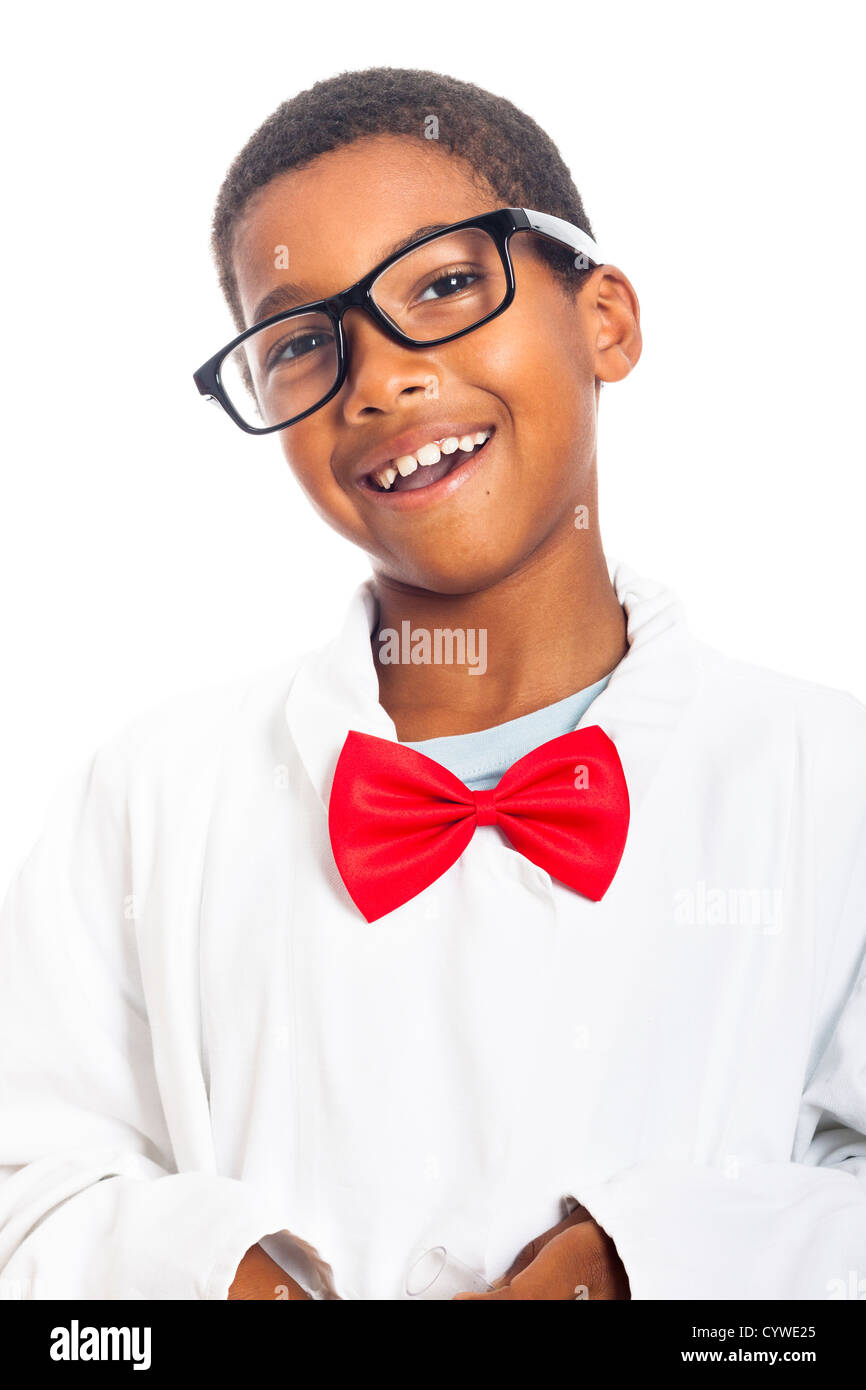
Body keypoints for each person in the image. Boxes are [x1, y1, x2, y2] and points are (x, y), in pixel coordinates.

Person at [1, 66, 864, 1302]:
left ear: (605, 319)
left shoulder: (829, 780)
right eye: (301, 341)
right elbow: (26, 1186)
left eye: (445, 284)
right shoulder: (148, 796)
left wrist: (648, 1267)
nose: (381, 378)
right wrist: (213, 1276)